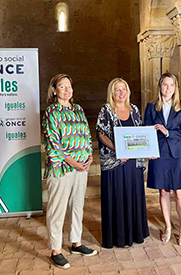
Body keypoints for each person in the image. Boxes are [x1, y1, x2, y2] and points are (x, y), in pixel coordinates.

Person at [42, 74, 97, 269]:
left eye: (69, 86)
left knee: (77, 205)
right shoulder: (51, 112)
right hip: (61, 167)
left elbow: (86, 135)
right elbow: (53, 143)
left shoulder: (78, 110)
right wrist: (73, 162)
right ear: (54, 90)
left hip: (81, 166)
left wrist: (89, 156)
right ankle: (55, 250)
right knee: (57, 208)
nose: (67, 90)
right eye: (62, 86)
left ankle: (76, 242)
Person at [96, 78, 149, 248]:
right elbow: (100, 133)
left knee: (132, 195)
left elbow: (140, 133)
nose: (121, 93)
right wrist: (117, 150)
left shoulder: (133, 109)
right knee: (117, 197)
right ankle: (118, 237)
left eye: (124, 89)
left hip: (132, 162)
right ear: (112, 92)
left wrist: (148, 150)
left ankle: (135, 234)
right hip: (115, 162)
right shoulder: (106, 109)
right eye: (118, 90)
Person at [144, 72, 181, 246]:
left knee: (180, 192)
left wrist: (168, 132)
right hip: (159, 153)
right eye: (165, 84)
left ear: (176, 88)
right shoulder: (151, 107)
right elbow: (146, 131)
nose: (168, 88)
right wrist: (148, 149)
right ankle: (168, 227)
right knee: (163, 191)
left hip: (177, 154)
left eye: (171, 85)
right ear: (160, 86)